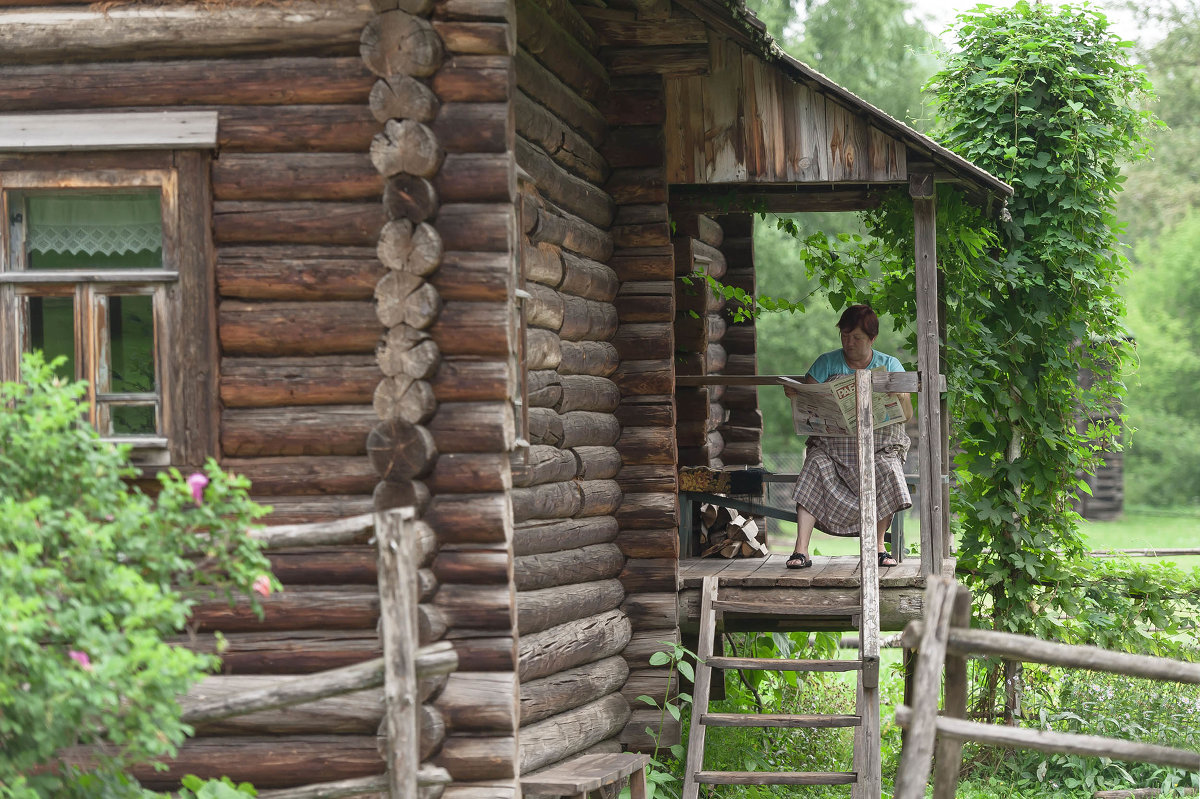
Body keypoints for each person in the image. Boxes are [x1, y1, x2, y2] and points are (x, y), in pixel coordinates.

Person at [784, 304, 913, 569]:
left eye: (856, 338)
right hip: (833, 450)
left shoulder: (890, 365)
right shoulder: (826, 362)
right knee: (813, 465)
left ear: (872, 339)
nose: (849, 343)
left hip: (878, 448)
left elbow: (907, 416)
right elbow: (810, 402)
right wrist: (798, 397)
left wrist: (900, 397)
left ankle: (878, 548)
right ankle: (800, 551)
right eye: (844, 335)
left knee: (890, 468)